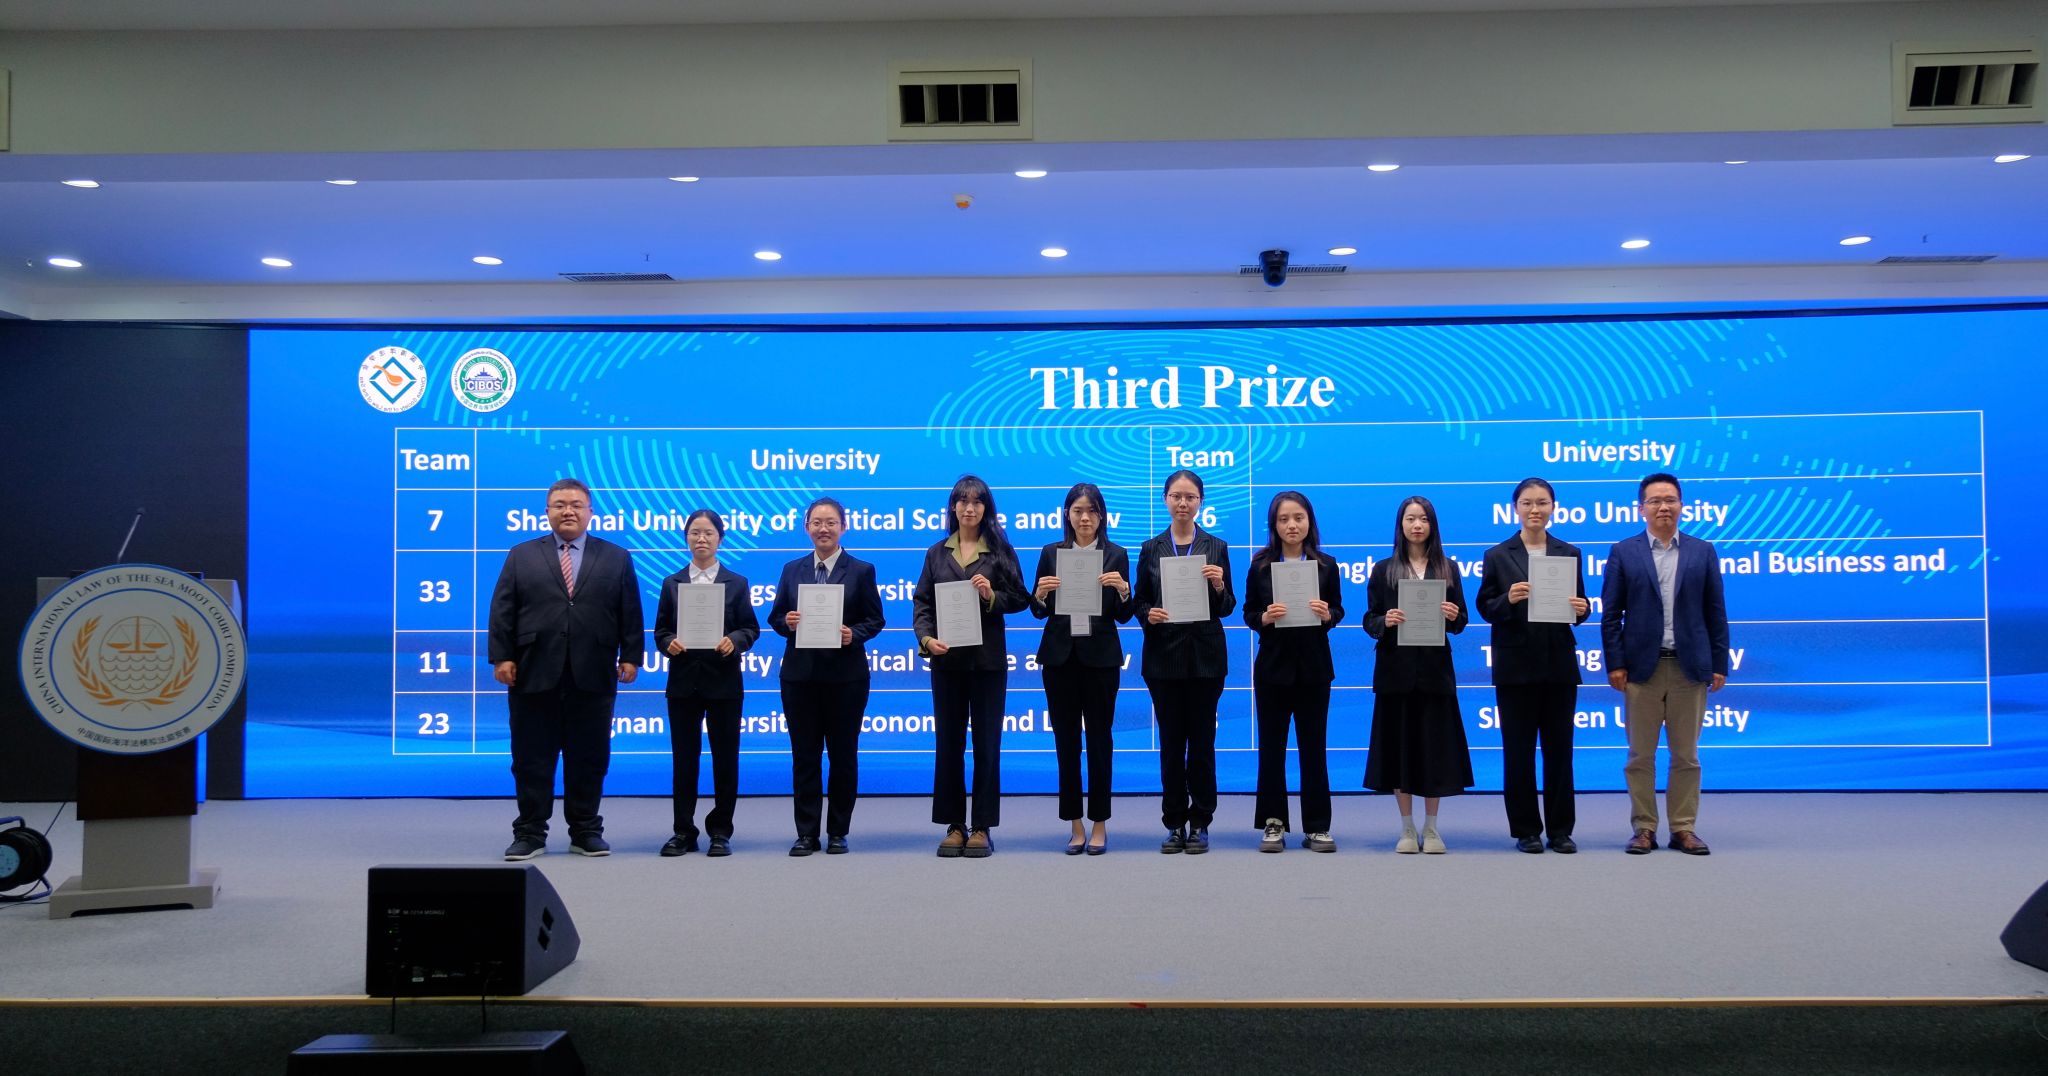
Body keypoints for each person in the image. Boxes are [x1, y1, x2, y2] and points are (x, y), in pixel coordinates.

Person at [488, 478, 644, 860]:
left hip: (593, 672)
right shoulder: (521, 555)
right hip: (532, 672)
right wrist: (502, 657)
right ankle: (529, 833)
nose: (568, 511)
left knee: (589, 758)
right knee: (531, 759)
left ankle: (586, 830)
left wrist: (631, 656)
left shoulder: (616, 557)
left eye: (576, 505)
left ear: (590, 512)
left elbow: (629, 610)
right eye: (560, 505)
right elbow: (503, 609)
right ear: (547, 512)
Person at [1601, 472, 1731, 856]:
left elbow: (1716, 612)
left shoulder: (1702, 551)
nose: (1663, 507)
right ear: (1641, 508)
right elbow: (1611, 615)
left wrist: (1718, 662)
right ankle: (1644, 828)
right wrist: (1615, 663)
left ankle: (1683, 828)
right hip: (1642, 669)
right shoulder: (1624, 552)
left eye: (1670, 500)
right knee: (1640, 755)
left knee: (1686, 756)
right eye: (1655, 501)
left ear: (1682, 506)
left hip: (1689, 668)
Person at [913, 475, 1031, 858]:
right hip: (947, 663)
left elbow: (1021, 598)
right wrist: (926, 640)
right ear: (953, 506)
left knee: (986, 746)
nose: (969, 508)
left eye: (977, 501)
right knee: (948, 745)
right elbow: (922, 603)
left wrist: (991, 595)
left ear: (986, 508)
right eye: (963, 501)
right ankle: (953, 824)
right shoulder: (936, 553)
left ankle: (981, 826)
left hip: (987, 664)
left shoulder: (1000, 551)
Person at [766, 497, 887, 857]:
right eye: (817, 522)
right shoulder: (792, 569)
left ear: (843, 527)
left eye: (831, 522)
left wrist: (854, 634)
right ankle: (806, 833)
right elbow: (775, 617)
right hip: (800, 677)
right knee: (804, 756)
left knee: (843, 756)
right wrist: (787, 622)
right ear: (806, 527)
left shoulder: (861, 570)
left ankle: (837, 831)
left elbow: (875, 619)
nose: (823, 529)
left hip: (846, 678)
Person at [1475, 478, 1590, 855]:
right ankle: (1526, 830)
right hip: (1515, 666)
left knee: (1560, 752)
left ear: (1553, 507)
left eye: (1542, 502)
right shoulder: (1497, 554)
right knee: (1518, 752)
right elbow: (1485, 607)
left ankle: (1560, 830)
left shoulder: (1569, 552)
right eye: (1527, 503)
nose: (1535, 509)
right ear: (1516, 508)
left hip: (1558, 665)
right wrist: (1507, 599)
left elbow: (1580, 605)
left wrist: (1583, 609)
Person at [1028, 482, 1135, 855]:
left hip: (1101, 659)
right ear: (1067, 515)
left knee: (1100, 740)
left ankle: (1100, 823)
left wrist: (1124, 590)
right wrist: (1040, 595)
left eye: (1091, 511)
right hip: (1059, 659)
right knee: (1066, 742)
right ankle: (1074, 824)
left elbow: (1124, 615)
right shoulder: (1051, 552)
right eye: (1078, 511)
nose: (1084, 518)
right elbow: (1038, 610)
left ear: (1101, 516)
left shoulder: (1116, 555)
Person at [1362, 495, 1471, 854]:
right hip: (1396, 672)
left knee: (1434, 750)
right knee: (1400, 750)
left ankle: (1432, 828)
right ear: (1401, 525)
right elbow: (1369, 620)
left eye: (1423, 518)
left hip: (1435, 673)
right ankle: (1407, 827)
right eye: (1410, 519)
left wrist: (1453, 615)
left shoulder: (1447, 568)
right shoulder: (1383, 569)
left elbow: (1461, 621)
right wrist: (1386, 620)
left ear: (1432, 525)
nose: (1417, 525)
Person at [1133, 469, 1235, 854]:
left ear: (1200, 502)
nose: (1182, 503)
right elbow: (1139, 601)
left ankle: (1201, 822)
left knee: (1203, 743)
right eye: (1176, 496)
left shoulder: (1216, 546)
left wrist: (1219, 585)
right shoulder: (1151, 548)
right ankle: (1174, 822)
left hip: (1206, 658)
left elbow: (1227, 606)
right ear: (1165, 499)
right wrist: (1148, 614)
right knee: (1172, 744)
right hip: (1164, 658)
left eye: (1190, 497)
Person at [651, 509, 760, 858]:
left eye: (708, 533)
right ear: (686, 538)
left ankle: (721, 831)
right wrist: (668, 642)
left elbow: (750, 628)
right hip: (683, 684)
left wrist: (735, 640)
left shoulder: (736, 582)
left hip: (724, 683)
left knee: (725, 759)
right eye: (695, 533)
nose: (701, 538)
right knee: (684, 760)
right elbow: (661, 630)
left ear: (720, 539)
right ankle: (683, 831)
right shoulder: (672, 583)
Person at [1243, 491, 1346, 852]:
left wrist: (1328, 615)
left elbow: (1338, 610)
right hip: (1272, 668)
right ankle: (1273, 823)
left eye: (1298, 518)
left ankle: (1317, 826)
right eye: (1284, 519)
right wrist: (1264, 618)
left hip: (1314, 669)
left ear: (1309, 522)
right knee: (1271, 749)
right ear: (1274, 525)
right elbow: (1249, 612)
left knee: (1313, 749)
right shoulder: (1260, 565)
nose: (1292, 525)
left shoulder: (1326, 565)